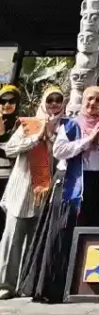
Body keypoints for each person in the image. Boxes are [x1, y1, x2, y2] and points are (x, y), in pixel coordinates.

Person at [20, 86, 99, 304]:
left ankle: (86, 287)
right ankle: (54, 288)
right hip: (71, 183)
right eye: (90, 99)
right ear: (82, 101)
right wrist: (85, 142)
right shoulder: (70, 124)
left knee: (91, 233)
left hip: (96, 183)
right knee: (63, 232)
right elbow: (59, 151)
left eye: (98, 100)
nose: (93, 104)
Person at [0, 86, 64, 300]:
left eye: (58, 100)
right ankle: (5, 285)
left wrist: (52, 138)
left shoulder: (65, 127)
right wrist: (37, 137)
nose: (54, 103)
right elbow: (9, 149)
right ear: (43, 102)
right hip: (22, 192)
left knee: (35, 242)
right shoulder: (28, 124)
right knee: (12, 240)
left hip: (46, 194)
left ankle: (27, 286)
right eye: (50, 99)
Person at [0, 86, 21, 239]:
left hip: (10, 179)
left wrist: (1, 135)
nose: (6, 105)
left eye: (11, 101)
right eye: (2, 101)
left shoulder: (21, 125)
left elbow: (15, 152)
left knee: (4, 220)